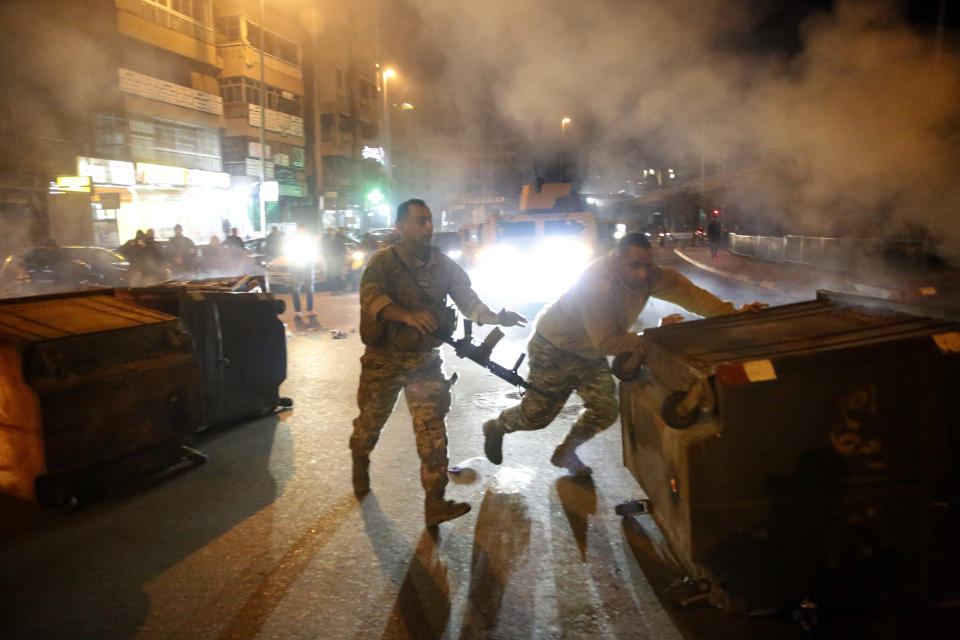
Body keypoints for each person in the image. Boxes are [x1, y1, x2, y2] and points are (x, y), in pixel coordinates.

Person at [482, 232, 766, 476]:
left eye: (647, 264)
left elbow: (691, 295)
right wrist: (652, 337)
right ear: (615, 260)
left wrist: (732, 313)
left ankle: (566, 452)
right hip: (555, 347)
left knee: (605, 410)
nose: (643, 273)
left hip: (589, 351)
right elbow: (608, 343)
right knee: (537, 417)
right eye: (634, 266)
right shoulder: (596, 284)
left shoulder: (648, 275)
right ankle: (496, 427)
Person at [350, 198, 526, 527]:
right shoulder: (383, 263)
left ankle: (435, 502)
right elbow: (372, 297)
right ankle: (359, 459)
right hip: (383, 361)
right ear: (401, 226)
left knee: (433, 432)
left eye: (429, 221)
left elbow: (468, 300)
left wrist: (495, 316)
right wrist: (406, 314)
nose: (428, 227)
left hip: (425, 361)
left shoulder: (444, 265)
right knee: (369, 427)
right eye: (420, 221)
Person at [287, 228, 317, 318]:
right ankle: (298, 311)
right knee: (295, 288)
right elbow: (288, 251)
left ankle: (310, 310)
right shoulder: (292, 241)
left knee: (310, 287)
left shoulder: (309, 241)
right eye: (300, 231)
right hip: (296, 265)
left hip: (308, 264)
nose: (301, 232)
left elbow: (314, 250)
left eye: (303, 231)